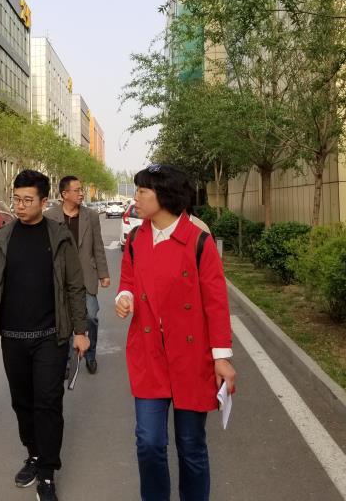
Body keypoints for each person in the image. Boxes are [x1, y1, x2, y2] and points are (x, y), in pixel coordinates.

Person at [115, 163, 236, 501]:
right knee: (149, 442)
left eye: (142, 191)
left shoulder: (198, 241)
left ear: (164, 196)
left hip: (191, 357)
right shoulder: (137, 239)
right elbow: (128, 280)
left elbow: (216, 302)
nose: (135, 198)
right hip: (149, 354)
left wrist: (221, 357)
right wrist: (124, 297)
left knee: (191, 444)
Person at [0, 169, 89, 501]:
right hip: (13, 337)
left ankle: (47, 472)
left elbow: (74, 286)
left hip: (51, 336)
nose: (20, 206)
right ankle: (34, 454)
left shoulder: (59, 237)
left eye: (27, 200)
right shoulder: (2, 238)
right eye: (16, 199)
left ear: (43, 201)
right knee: (22, 402)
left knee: (48, 403)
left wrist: (81, 330)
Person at [45, 175, 110, 374]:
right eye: (78, 190)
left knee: (90, 316)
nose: (82, 193)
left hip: (85, 277)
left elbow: (98, 246)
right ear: (64, 194)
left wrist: (103, 273)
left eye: (82, 190)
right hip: (59, 278)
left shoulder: (91, 216)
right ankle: (65, 361)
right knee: (62, 320)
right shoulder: (50, 216)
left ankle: (90, 355)